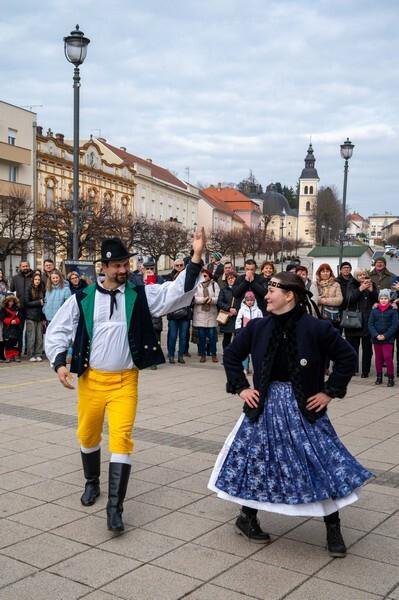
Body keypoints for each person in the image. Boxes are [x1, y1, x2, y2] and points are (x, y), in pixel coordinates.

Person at [45, 234, 205, 532]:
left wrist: (196, 256)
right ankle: (92, 482)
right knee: (88, 435)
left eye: (125, 264)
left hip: (125, 383)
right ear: (103, 267)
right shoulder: (82, 298)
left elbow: (176, 290)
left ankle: (115, 508)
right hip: (91, 381)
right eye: (117, 265)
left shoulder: (139, 294)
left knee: (121, 440)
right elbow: (58, 331)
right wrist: (58, 363)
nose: (123, 270)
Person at [208, 272, 372, 557]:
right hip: (264, 406)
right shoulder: (258, 326)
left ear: (289, 296)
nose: (266, 295)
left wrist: (329, 391)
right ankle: (247, 517)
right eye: (267, 290)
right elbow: (232, 355)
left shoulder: (316, 328)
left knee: (318, 462)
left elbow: (346, 357)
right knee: (259, 460)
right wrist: (241, 389)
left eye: (272, 290)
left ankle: (333, 526)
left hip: (304, 408)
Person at [342, 269, 378, 378]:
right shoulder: (351, 285)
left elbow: (378, 300)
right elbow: (348, 300)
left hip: (368, 320)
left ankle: (365, 371)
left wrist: (372, 290)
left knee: (367, 348)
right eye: (359, 275)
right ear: (356, 276)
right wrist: (360, 289)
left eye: (364, 275)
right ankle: (353, 369)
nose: (362, 277)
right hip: (353, 320)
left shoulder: (372, 284)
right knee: (352, 347)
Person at [368, 289, 398, 387]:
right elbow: (370, 324)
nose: (383, 300)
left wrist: (385, 335)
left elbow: (394, 325)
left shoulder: (393, 311)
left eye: (385, 298)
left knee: (388, 357)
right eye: (381, 298)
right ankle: (379, 377)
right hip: (376, 339)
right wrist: (376, 335)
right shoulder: (374, 311)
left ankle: (390, 377)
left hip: (388, 339)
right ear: (379, 299)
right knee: (378, 358)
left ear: (389, 299)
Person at [166, 259, 191, 364]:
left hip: (185, 313)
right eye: (177, 265)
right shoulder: (169, 278)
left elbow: (192, 293)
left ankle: (180, 355)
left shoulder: (188, 277)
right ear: (174, 266)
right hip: (173, 313)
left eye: (181, 265)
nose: (179, 267)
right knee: (172, 335)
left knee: (183, 336)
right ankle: (171, 355)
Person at [193, 268, 220, 363]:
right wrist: (203, 300)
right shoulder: (197, 285)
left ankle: (214, 354)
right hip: (200, 314)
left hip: (211, 313)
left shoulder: (214, 284)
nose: (203, 278)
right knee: (201, 337)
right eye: (201, 276)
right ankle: (202, 354)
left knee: (212, 336)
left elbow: (218, 298)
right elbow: (194, 298)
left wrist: (211, 300)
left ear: (209, 276)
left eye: (205, 276)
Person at [142, 258, 165, 370]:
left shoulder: (159, 279)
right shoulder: (138, 279)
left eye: (151, 268)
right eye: (147, 269)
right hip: (143, 314)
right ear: (143, 269)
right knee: (145, 338)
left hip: (155, 314)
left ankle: (154, 359)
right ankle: (147, 358)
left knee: (156, 338)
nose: (149, 270)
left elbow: (162, 294)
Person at [235, 291, 263, 374]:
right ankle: (245, 367)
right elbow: (238, 320)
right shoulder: (242, 310)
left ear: (254, 300)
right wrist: (238, 330)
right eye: (248, 300)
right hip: (245, 333)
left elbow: (261, 321)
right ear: (245, 301)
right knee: (244, 351)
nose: (250, 302)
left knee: (254, 352)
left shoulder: (258, 311)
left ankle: (256, 367)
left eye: (251, 300)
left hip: (255, 334)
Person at [25, 273, 46, 362]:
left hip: (40, 316)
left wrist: (44, 317)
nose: (37, 281)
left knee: (39, 337)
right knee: (31, 337)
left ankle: (38, 354)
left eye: (38, 279)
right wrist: (38, 302)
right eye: (36, 279)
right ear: (33, 280)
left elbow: (44, 302)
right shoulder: (28, 289)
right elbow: (26, 303)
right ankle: (31, 355)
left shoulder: (42, 289)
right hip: (30, 316)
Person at [217, 271, 238, 350]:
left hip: (236, 316)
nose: (231, 280)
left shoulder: (239, 289)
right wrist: (229, 308)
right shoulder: (223, 290)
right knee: (227, 338)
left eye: (232, 278)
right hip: (227, 316)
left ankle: (235, 356)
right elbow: (219, 302)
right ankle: (226, 355)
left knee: (237, 338)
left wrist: (236, 310)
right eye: (229, 278)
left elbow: (242, 301)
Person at [0, 295, 24, 363]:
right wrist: (10, 321)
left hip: (15, 328)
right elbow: (2, 318)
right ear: (7, 301)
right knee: (8, 343)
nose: (11, 302)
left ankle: (15, 356)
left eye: (12, 301)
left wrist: (16, 321)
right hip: (7, 329)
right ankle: (8, 356)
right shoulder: (3, 309)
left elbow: (20, 317)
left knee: (15, 343)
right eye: (9, 301)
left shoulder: (17, 308)